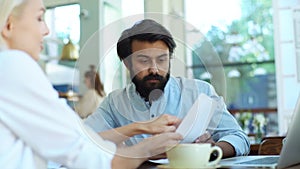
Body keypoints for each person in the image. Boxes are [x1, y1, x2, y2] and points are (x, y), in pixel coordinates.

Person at [0, 0, 183, 169]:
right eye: (39, 18)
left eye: (161, 59)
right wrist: (146, 149)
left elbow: (80, 139)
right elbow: (84, 152)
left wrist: (141, 128)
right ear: (9, 25)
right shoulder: (12, 64)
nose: (46, 30)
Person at [85, 19, 250, 158]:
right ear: (127, 63)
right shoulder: (115, 103)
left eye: (162, 59)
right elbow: (83, 140)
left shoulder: (200, 92)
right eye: (144, 61)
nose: (154, 69)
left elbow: (239, 138)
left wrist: (210, 152)